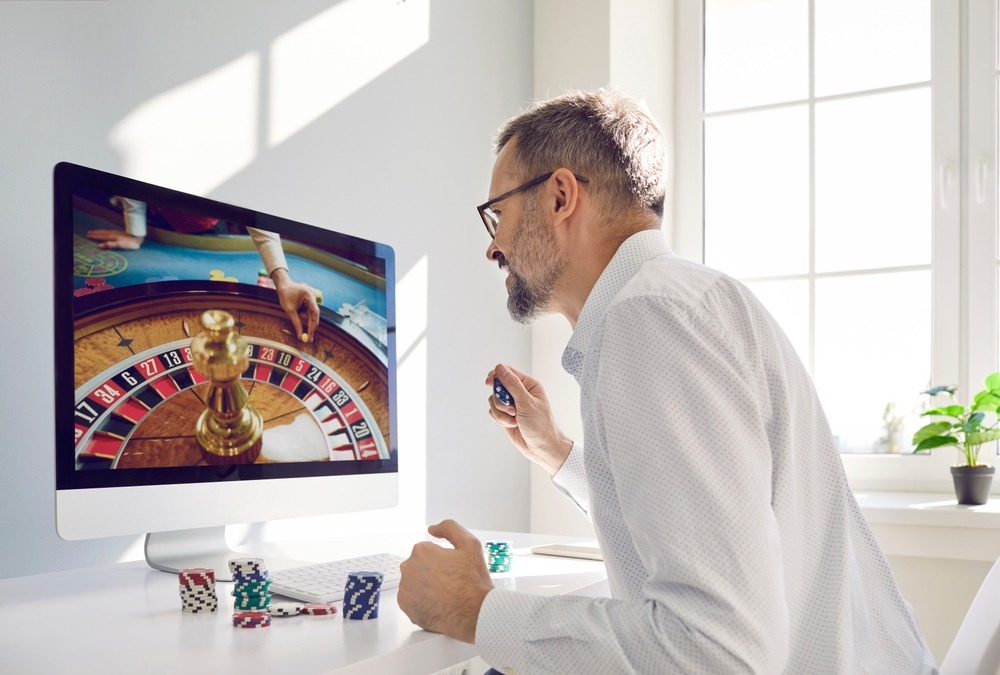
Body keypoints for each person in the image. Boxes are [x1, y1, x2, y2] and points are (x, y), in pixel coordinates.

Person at [396, 89, 938, 674]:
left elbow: (719, 651)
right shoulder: (675, 301)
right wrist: (558, 454)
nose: (492, 245)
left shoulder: (651, 319)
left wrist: (477, 611)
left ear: (559, 196)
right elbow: (701, 514)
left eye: (497, 212)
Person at [87, 197, 319, 342]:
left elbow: (255, 211)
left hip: (203, 229)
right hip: (156, 216)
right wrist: (135, 231)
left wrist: (283, 280)